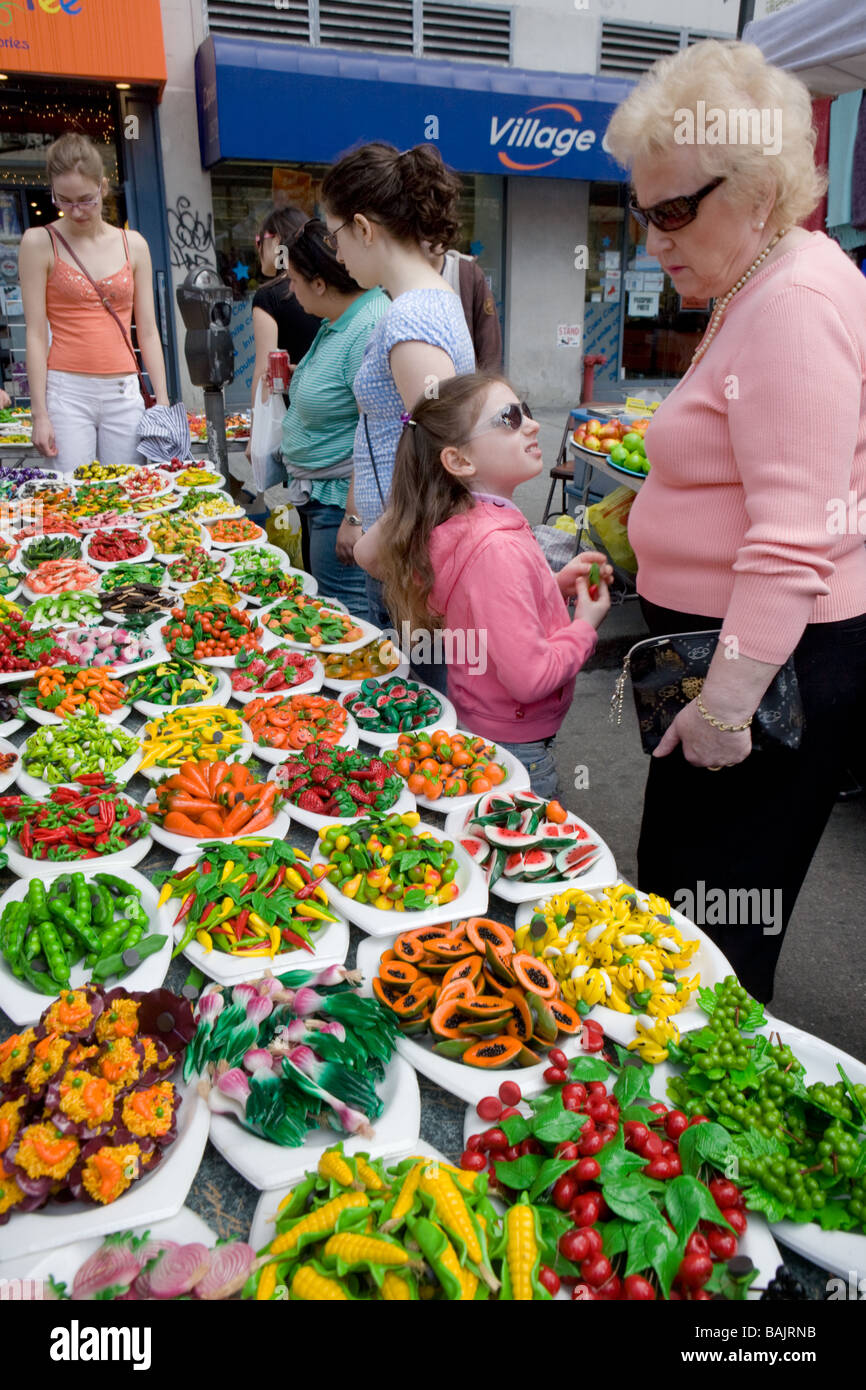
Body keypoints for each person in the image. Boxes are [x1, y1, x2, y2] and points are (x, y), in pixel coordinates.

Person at [605, 39, 866, 1002]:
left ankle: (694, 1130)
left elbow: (793, 534)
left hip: (762, 666)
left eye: (674, 211)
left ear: (756, 188)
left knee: (709, 924)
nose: (653, 239)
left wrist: (725, 706)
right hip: (736, 654)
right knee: (690, 903)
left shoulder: (791, 299)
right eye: (644, 212)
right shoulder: (759, 279)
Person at [354, 373, 612, 797]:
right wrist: (584, 625)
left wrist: (550, 585)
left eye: (525, 411)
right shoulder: (497, 546)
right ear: (458, 461)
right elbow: (529, 678)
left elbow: (486, 600)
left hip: (486, 726)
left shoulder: (471, 522)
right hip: (517, 745)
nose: (531, 424)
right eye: (509, 418)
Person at [320, 142, 476, 686]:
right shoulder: (426, 299)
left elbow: (441, 456)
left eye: (334, 234)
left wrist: (377, 537)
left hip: (411, 557)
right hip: (407, 550)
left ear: (363, 228)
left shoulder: (411, 316)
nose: (335, 254)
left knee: (423, 711)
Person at [19, 132, 169, 472]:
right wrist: (38, 414)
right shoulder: (39, 242)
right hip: (66, 390)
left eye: (86, 199)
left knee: (129, 495)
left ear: (103, 187)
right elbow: (35, 334)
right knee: (70, 496)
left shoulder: (135, 244)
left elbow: (147, 331)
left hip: (123, 389)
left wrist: (161, 401)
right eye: (65, 200)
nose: (76, 211)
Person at [277, 219, 387, 615]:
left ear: (319, 283)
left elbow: (375, 427)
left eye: (293, 280)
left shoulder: (368, 325)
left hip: (342, 503)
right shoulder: (341, 320)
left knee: (348, 615)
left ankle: (363, 681)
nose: (290, 290)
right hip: (324, 497)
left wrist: (354, 516)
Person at [249, 206, 320, 417]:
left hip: (288, 415)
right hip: (328, 409)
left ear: (278, 241)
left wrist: (256, 435)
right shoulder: (324, 288)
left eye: (260, 240)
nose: (258, 248)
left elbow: (264, 372)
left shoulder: (268, 296)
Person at [424, 244, 502, 370]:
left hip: (462, 381)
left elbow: (489, 337)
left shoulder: (466, 273)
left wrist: (487, 383)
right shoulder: (397, 274)